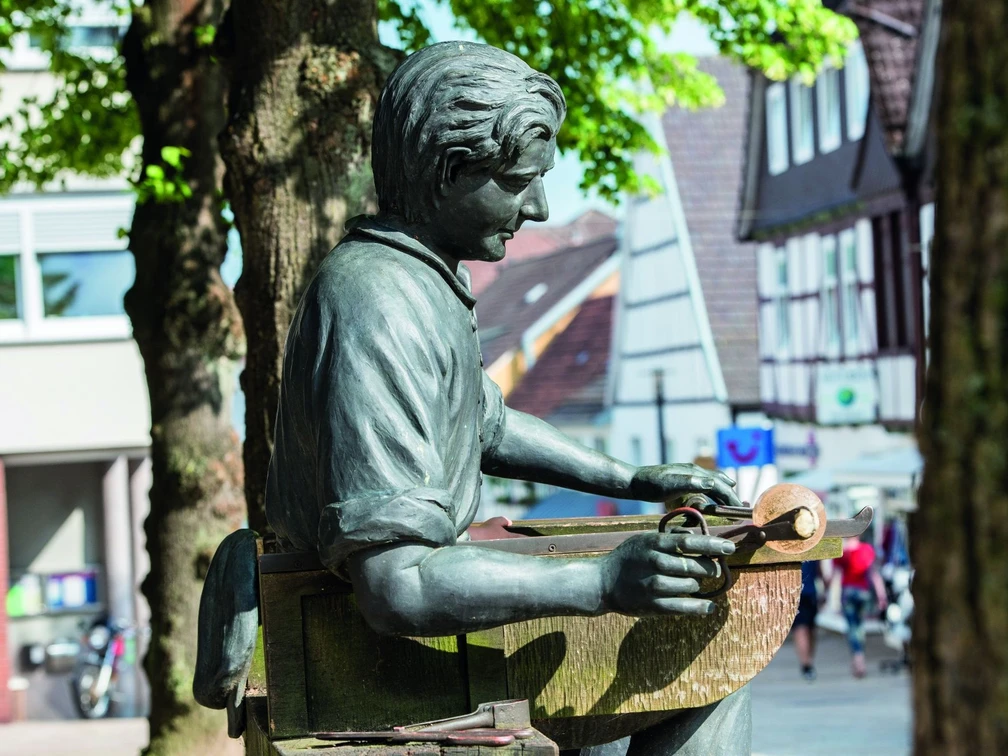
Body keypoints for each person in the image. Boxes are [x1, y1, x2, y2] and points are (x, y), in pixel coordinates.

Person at [262, 41, 749, 754]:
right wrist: (604, 581)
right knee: (704, 659)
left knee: (676, 655)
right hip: (364, 664)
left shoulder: (418, 282)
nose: (541, 207)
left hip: (376, 650)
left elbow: (483, 421)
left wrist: (634, 479)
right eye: (520, 180)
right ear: (447, 172)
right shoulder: (378, 301)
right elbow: (399, 585)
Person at [832, 536, 888, 678]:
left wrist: (832, 598)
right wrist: (881, 595)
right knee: (860, 626)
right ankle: (859, 657)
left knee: (851, 627)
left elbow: (836, 575)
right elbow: (874, 574)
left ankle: (858, 658)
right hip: (863, 593)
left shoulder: (841, 552)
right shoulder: (867, 549)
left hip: (848, 593)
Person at [792, 561, 821, 681]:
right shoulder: (812, 548)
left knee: (801, 629)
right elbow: (819, 571)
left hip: (795, 593)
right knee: (809, 629)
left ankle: (806, 664)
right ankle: (808, 661)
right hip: (810, 592)